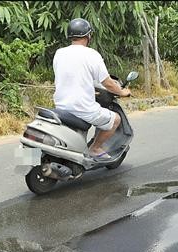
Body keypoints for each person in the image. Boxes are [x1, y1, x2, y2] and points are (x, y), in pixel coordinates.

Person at [53, 18, 131, 160]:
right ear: (88, 36)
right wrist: (122, 92)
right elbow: (107, 83)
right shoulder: (91, 55)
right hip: (81, 108)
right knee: (116, 119)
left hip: (61, 107)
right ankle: (94, 148)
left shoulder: (59, 53)